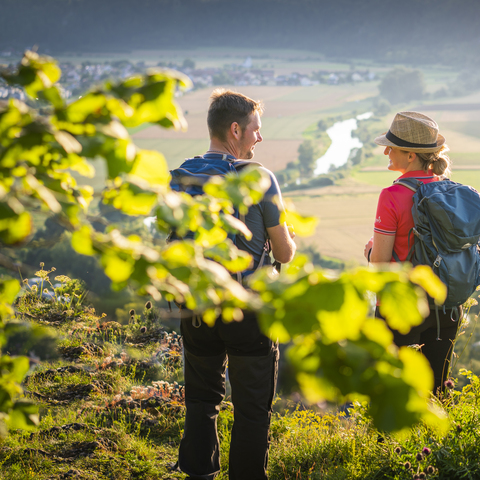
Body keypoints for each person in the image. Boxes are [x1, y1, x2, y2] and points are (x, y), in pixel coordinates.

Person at [177, 89, 296, 480]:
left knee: (200, 399)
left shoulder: (182, 175)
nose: (259, 138)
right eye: (256, 130)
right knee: (251, 408)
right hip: (249, 309)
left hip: (196, 305)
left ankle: (198, 474)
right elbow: (284, 253)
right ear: (235, 129)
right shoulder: (259, 177)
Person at [364, 111, 459, 395]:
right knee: (437, 388)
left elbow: (380, 263)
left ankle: (390, 442)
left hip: (401, 306)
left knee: (394, 390)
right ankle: (438, 440)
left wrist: (369, 252)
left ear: (410, 156)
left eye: (391, 147)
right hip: (446, 303)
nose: (385, 152)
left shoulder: (391, 196)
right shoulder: (450, 191)